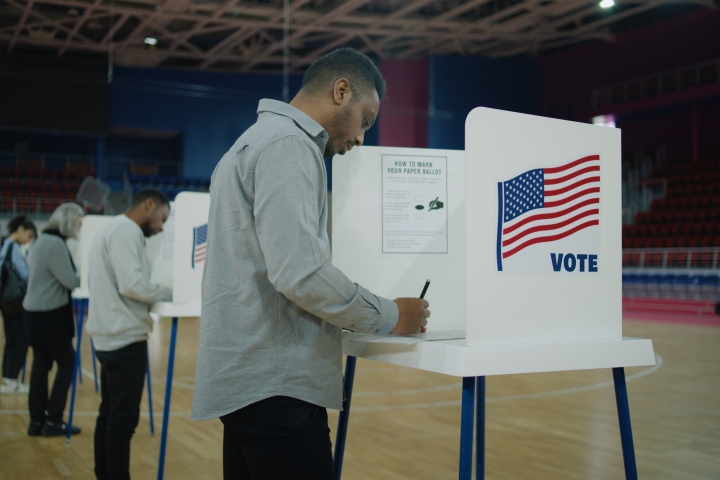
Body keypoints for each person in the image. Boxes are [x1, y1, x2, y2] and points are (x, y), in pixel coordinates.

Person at [191, 47, 430, 479]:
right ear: (341, 91)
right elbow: (301, 273)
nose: (361, 139)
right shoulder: (289, 145)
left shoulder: (249, 143)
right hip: (277, 387)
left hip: (249, 384)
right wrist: (391, 314)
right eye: (366, 120)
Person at [86, 188, 172, 480]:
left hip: (108, 336)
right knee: (121, 423)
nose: (161, 227)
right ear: (149, 204)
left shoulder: (111, 227)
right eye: (162, 217)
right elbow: (132, 284)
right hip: (124, 340)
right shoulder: (126, 231)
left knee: (109, 416)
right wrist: (170, 294)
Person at [23, 203, 84, 436]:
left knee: (41, 365)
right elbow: (69, 280)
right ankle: (54, 420)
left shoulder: (42, 240)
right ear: (69, 221)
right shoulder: (55, 243)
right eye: (79, 222)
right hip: (50, 313)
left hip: (35, 311)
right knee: (67, 362)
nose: (80, 227)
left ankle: (36, 422)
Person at [0, 215, 37, 395]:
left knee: (11, 340)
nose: (27, 241)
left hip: (5, 300)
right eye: (29, 236)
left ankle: (8, 378)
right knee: (20, 340)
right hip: (15, 300)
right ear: (20, 230)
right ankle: (12, 379)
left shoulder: (3, 244)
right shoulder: (13, 247)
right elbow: (25, 273)